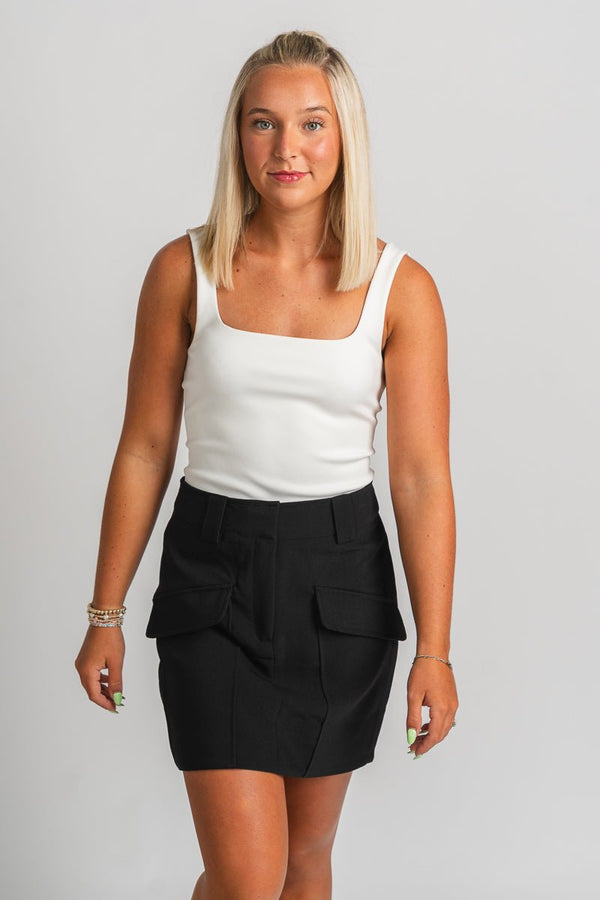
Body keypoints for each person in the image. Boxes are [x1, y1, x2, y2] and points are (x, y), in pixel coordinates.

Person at [74, 28, 459, 900]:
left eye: (312, 124)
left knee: (305, 862)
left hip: (341, 583)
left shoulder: (402, 288)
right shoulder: (184, 269)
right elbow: (144, 447)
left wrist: (435, 651)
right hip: (213, 576)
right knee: (248, 877)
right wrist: (105, 611)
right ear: (237, 136)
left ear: (345, 137)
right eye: (264, 123)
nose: (288, 148)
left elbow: (421, 479)